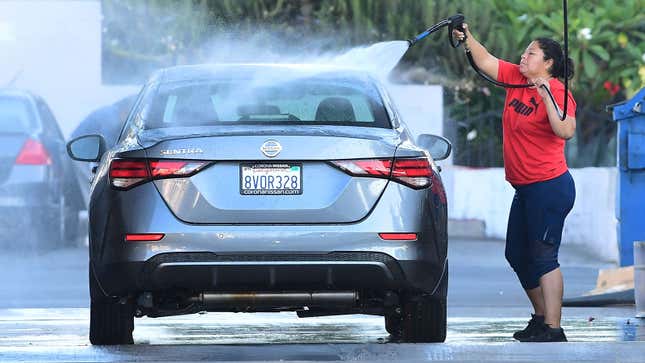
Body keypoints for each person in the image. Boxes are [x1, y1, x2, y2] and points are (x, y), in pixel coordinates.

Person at [453, 24, 576, 342]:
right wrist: (467, 38)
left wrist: (546, 91)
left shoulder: (560, 93)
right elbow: (486, 61)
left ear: (548, 63)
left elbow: (565, 131)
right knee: (517, 255)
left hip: (549, 187)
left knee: (544, 256)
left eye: (531, 53)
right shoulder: (516, 79)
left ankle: (554, 328)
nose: (523, 56)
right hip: (526, 188)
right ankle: (540, 318)